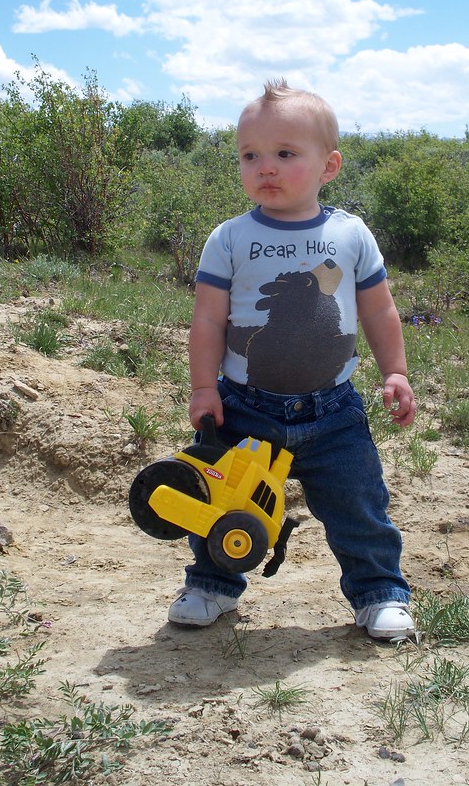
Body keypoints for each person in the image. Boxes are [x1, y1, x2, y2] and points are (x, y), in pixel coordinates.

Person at [168, 78, 417, 640]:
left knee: (359, 504)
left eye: (285, 154)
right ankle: (212, 586)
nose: (266, 168)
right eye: (251, 156)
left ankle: (379, 592)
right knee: (223, 498)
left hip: (334, 413)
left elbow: (379, 311)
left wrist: (395, 370)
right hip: (246, 409)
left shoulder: (349, 235)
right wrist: (203, 387)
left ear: (329, 166)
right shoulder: (229, 239)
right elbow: (209, 319)